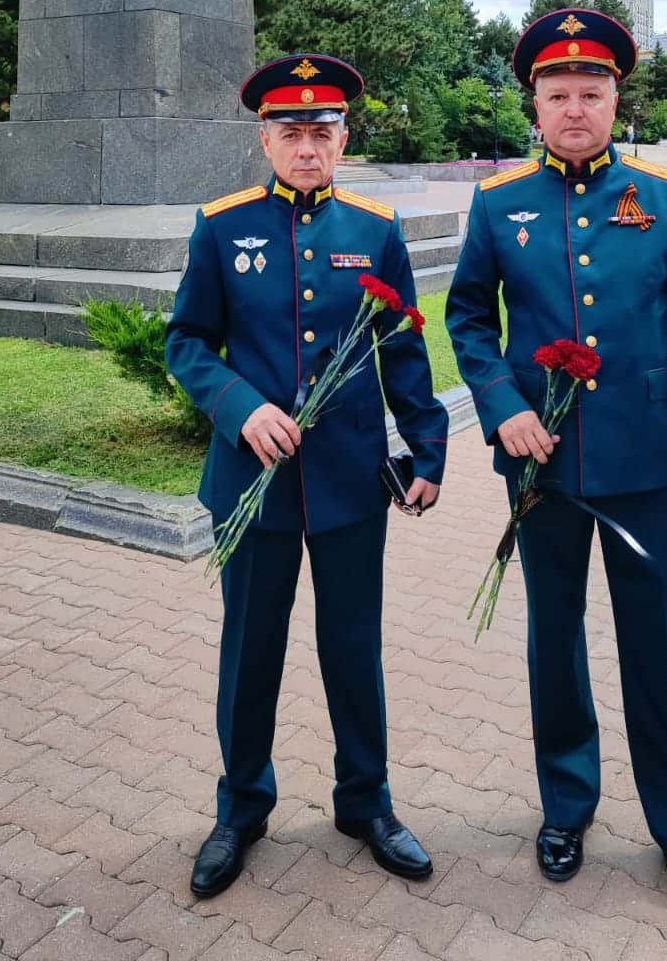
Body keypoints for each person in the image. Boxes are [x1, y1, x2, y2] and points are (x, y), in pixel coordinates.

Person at [446, 9, 667, 938]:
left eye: (592, 92)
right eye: (557, 94)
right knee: (556, 642)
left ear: (618, 97)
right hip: (542, 467)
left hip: (650, 464)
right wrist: (504, 407)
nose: (575, 109)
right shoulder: (499, 204)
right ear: (532, 103)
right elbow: (466, 322)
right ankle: (567, 809)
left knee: (661, 648)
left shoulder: (664, 197)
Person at [166, 54, 448, 898]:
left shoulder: (374, 230)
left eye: (322, 131)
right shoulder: (222, 227)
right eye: (291, 132)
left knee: (354, 647)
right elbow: (186, 343)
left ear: (343, 137)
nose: (307, 145)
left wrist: (426, 452)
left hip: (350, 482)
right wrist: (240, 406)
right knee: (251, 649)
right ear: (265, 138)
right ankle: (242, 808)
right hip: (251, 483)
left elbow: (403, 345)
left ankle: (366, 802)